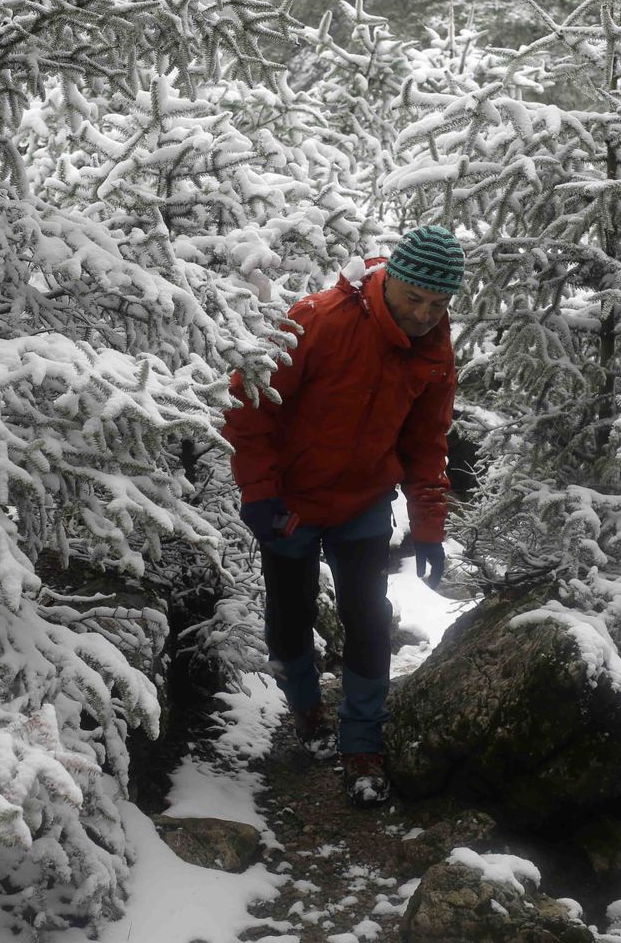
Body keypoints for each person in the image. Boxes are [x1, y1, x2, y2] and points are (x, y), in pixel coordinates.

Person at [222, 224, 464, 807]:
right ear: (391, 280)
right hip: (291, 503)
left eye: (438, 304)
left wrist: (429, 529)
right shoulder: (319, 319)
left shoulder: (434, 349)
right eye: (415, 298)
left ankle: (362, 742)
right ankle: (306, 710)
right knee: (290, 618)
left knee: (368, 620)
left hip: (363, 503)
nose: (424, 315)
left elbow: (427, 444)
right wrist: (259, 494)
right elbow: (249, 404)